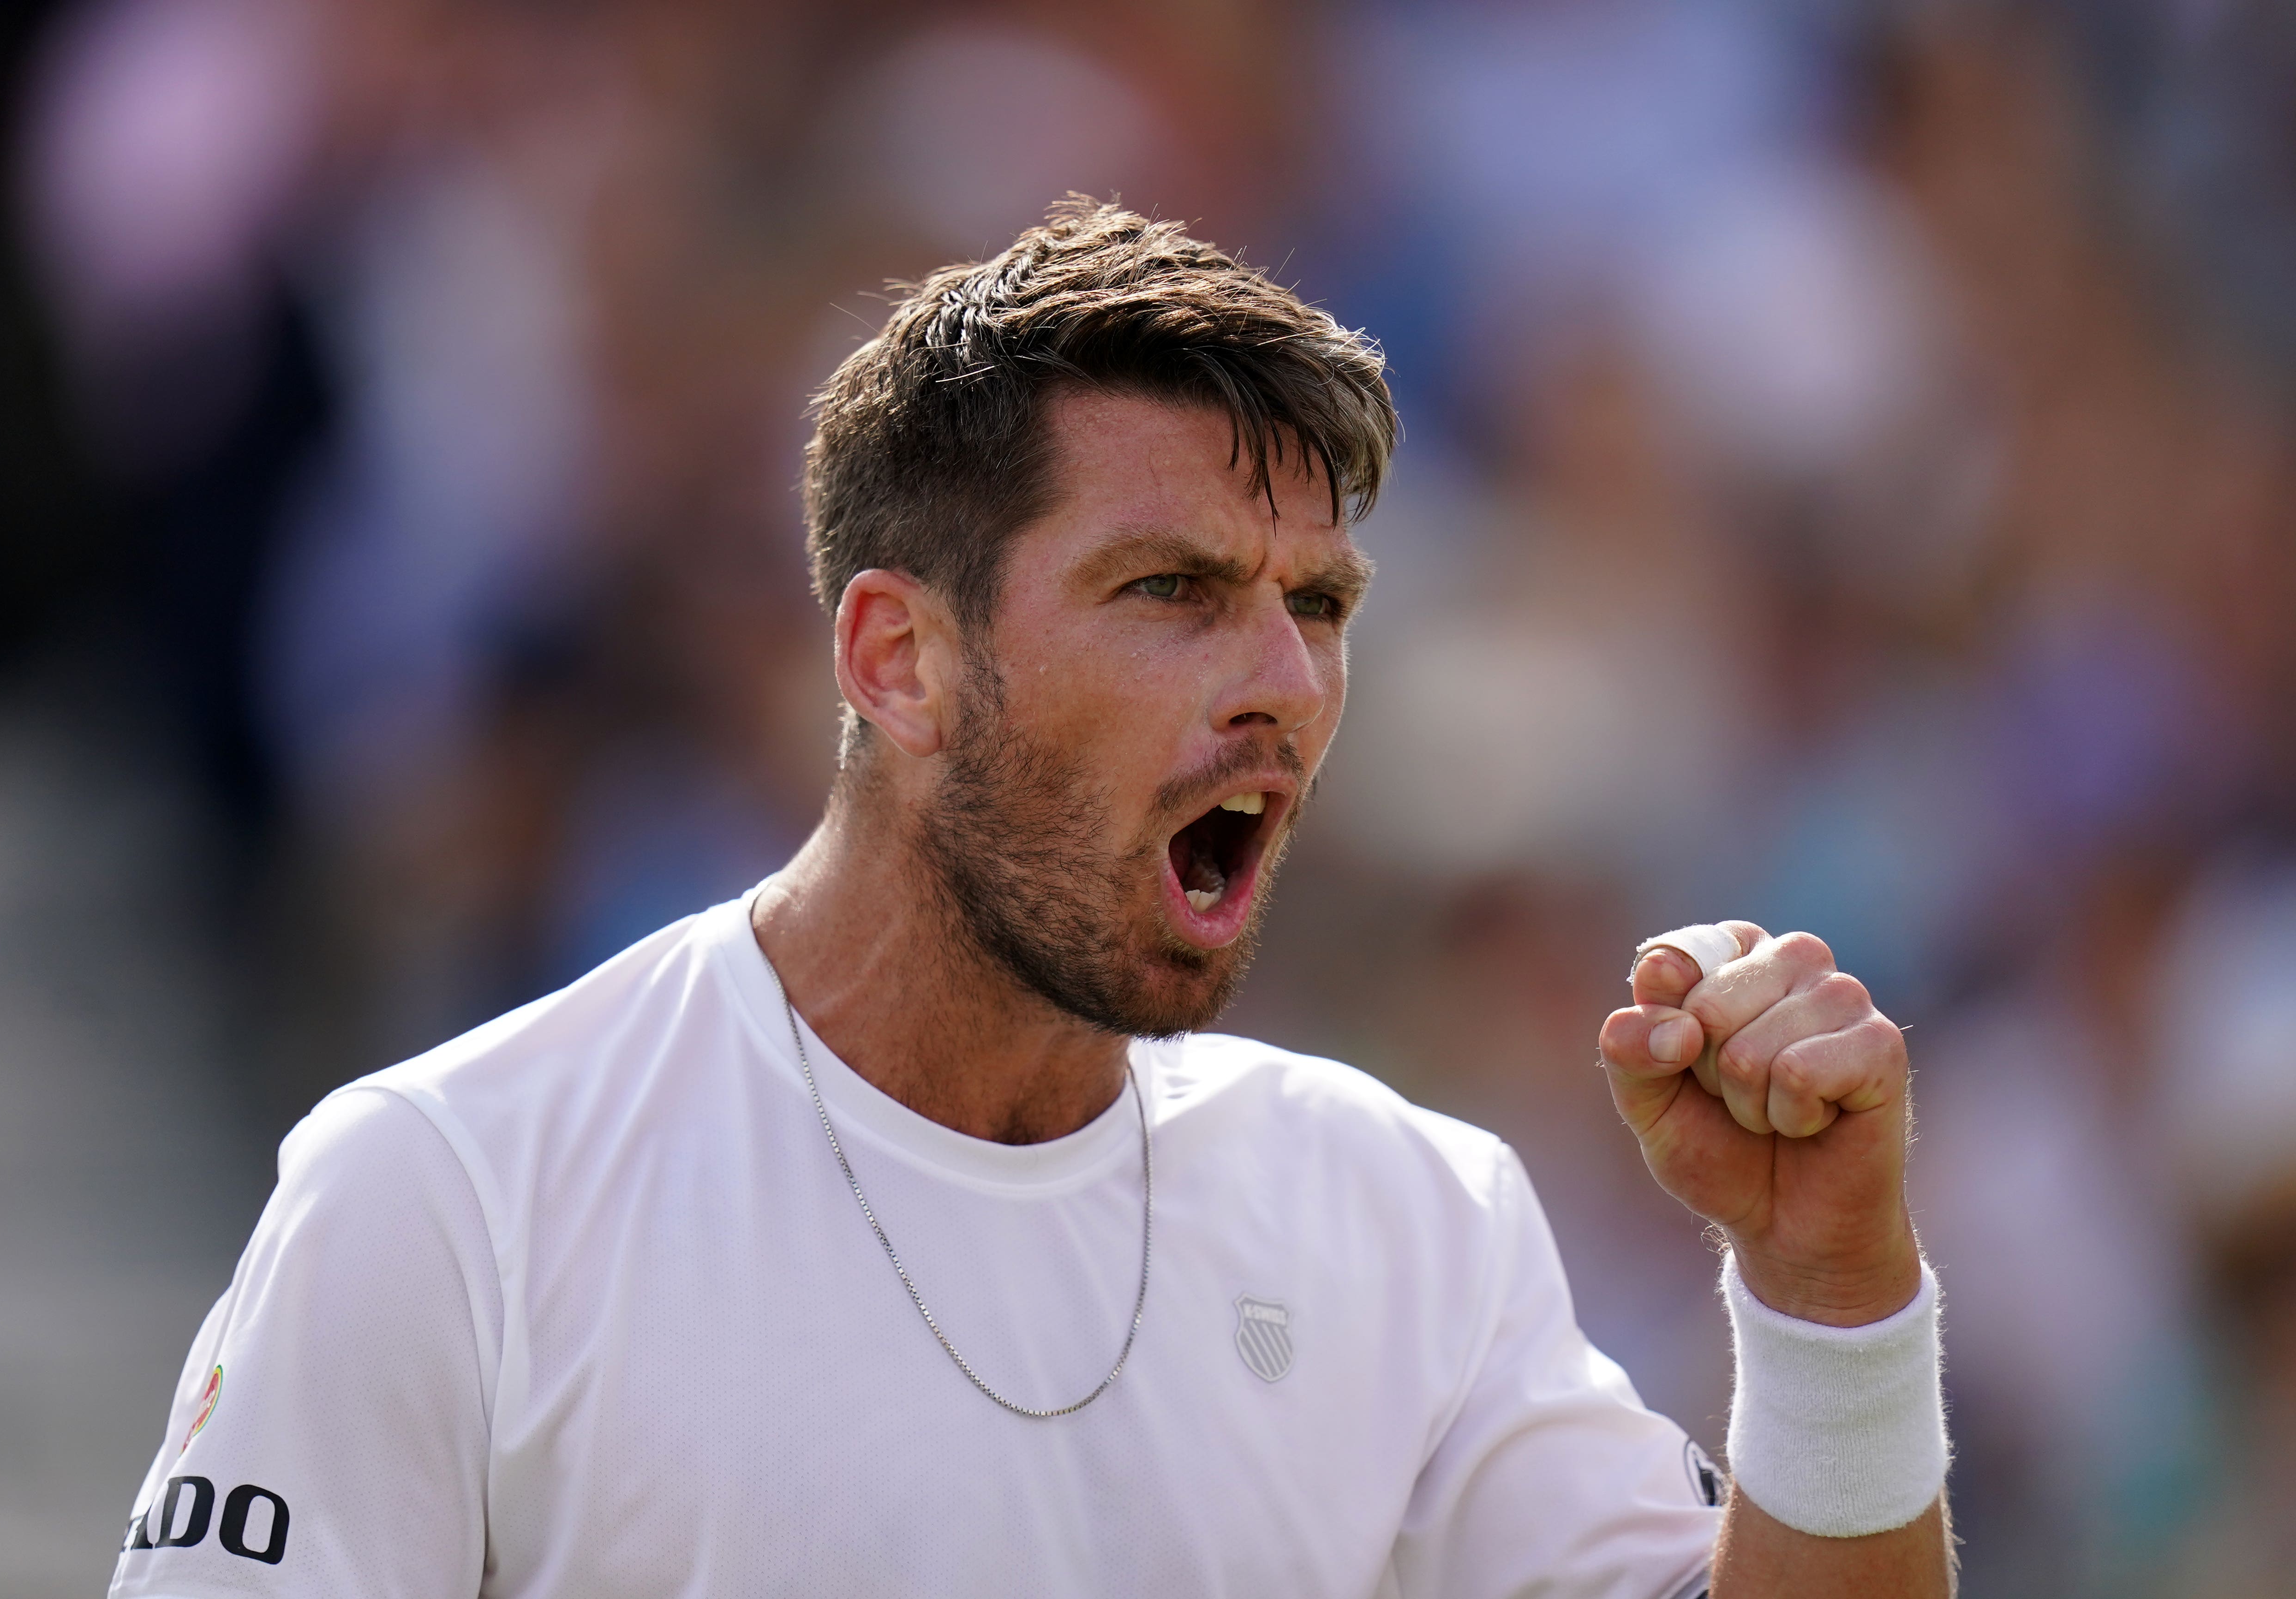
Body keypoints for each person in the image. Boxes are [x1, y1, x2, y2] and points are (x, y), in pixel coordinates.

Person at [108, 200, 1950, 1598]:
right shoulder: (448, 1195)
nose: (1287, 690)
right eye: (1170, 590)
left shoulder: (1409, 1217)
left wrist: (1827, 1294)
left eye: (1315, 607)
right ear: (897, 662)